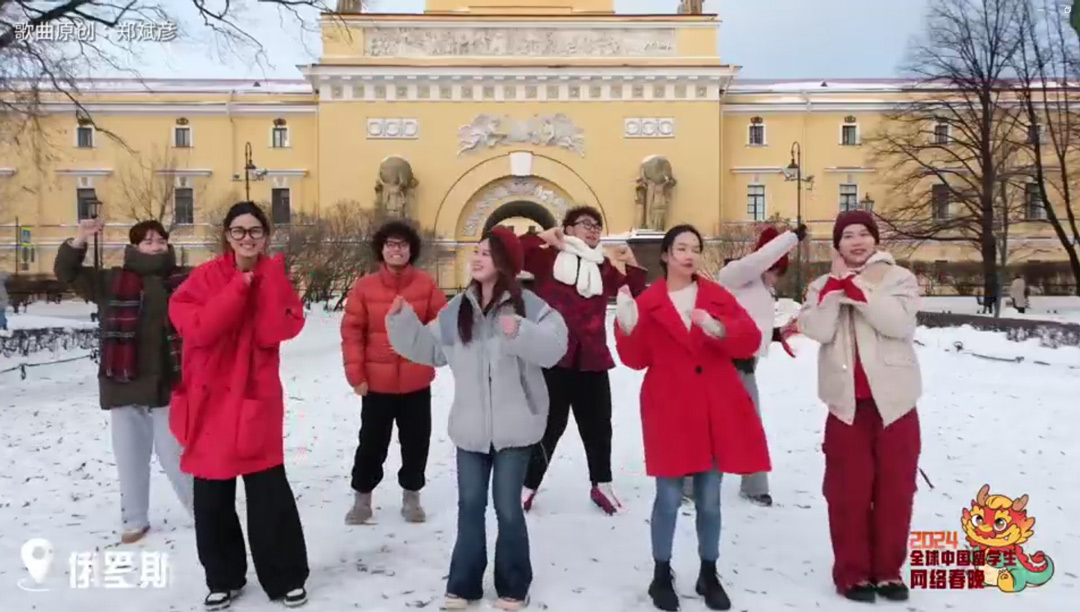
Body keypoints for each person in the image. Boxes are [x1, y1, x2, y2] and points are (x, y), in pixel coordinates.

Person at [385, 227, 568, 611]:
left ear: (505, 262)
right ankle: (464, 583)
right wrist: (401, 323)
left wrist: (520, 332)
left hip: (516, 429)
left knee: (506, 507)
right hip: (470, 430)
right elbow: (429, 350)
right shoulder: (458, 311)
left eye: (487, 252)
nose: (477, 257)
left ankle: (514, 584)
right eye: (477, 251)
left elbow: (555, 348)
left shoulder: (529, 306)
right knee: (469, 506)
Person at [614, 224, 770, 612]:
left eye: (695, 248)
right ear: (665, 255)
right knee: (667, 497)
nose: (689, 254)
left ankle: (708, 571)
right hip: (669, 409)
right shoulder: (649, 301)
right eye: (680, 247)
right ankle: (661, 571)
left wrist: (718, 329)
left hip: (714, 408)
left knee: (710, 500)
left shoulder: (717, 296)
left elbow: (749, 338)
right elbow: (635, 360)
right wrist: (627, 327)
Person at [169, 202, 309, 610]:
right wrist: (238, 289)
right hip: (209, 399)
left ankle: (285, 576)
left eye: (255, 231)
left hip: (255, 397)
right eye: (238, 231)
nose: (247, 238)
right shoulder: (204, 278)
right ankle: (223, 576)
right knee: (212, 497)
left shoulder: (274, 275)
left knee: (268, 492)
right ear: (227, 236)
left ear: (266, 236)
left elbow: (277, 329)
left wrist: (266, 283)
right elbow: (199, 329)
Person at [797, 210, 922, 603]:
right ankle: (852, 573)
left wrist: (856, 287)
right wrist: (835, 287)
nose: (857, 241)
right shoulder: (822, 284)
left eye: (864, 234)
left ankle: (887, 571)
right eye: (848, 235)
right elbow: (816, 329)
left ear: (875, 240)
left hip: (895, 404)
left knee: (895, 491)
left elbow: (897, 323)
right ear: (837, 244)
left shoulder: (897, 278)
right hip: (845, 406)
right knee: (847, 492)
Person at [53, 218, 193, 544]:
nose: (155, 246)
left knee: (176, 456)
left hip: (170, 383)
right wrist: (80, 238)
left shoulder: (184, 279)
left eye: (160, 240)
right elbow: (67, 273)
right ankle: (134, 519)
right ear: (134, 248)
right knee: (130, 457)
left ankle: (204, 512)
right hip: (124, 383)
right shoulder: (112, 281)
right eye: (147, 241)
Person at [519, 206, 646, 515]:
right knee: (548, 426)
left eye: (597, 226)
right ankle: (528, 484)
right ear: (569, 228)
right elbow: (514, 256)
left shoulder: (601, 266)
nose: (592, 230)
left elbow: (632, 291)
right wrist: (540, 238)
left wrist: (632, 264)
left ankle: (601, 484)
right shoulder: (547, 259)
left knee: (599, 427)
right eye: (585, 224)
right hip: (554, 359)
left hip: (592, 359)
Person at [341, 220, 447, 524]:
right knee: (372, 443)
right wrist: (356, 375)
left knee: (417, 442)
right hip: (376, 386)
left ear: (411, 250)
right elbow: (352, 333)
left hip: (416, 383)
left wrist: (416, 345)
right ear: (381, 249)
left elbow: (440, 326)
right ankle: (362, 498)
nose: (396, 250)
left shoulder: (425, 285)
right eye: (390, 244)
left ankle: (411, 497)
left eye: (402, 244)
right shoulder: (365, 287)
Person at [713, 223, 806, 507]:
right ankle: (695, 484)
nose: (776, 277)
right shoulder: (737, 275)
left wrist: (777, 334)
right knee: (717, 424)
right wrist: (791, 238)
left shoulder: (761, 289)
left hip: (745, 365)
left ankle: (752, 486)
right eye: (775, 270)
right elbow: (760, 260)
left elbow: (751, 324)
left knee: (746, 425)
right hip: (721, 363)